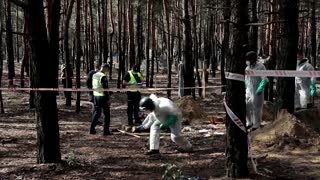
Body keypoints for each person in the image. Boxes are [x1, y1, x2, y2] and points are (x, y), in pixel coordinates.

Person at [245, 51, 268, 130]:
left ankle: (256, 125)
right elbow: (246, 79)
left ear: (253, 59)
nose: (247, 61)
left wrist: (260, 89)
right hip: (248, 89)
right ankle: (249, 122)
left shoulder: (261, 67)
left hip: (257, 90)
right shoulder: (247, 67)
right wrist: (245, 87)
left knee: (256, 108)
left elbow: (264, 79)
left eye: (249, 59)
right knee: (246, 106)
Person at [90, 63, 112, 136]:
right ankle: (106, 131)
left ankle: (92, 128)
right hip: (103, 97)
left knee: (96, 113)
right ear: (105, 68)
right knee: (106, 114)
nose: (108, 71)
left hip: (96, 95)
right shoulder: (103, 76)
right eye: (108, 69)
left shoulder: (95, 75)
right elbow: (105, 88)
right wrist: (108, 98)